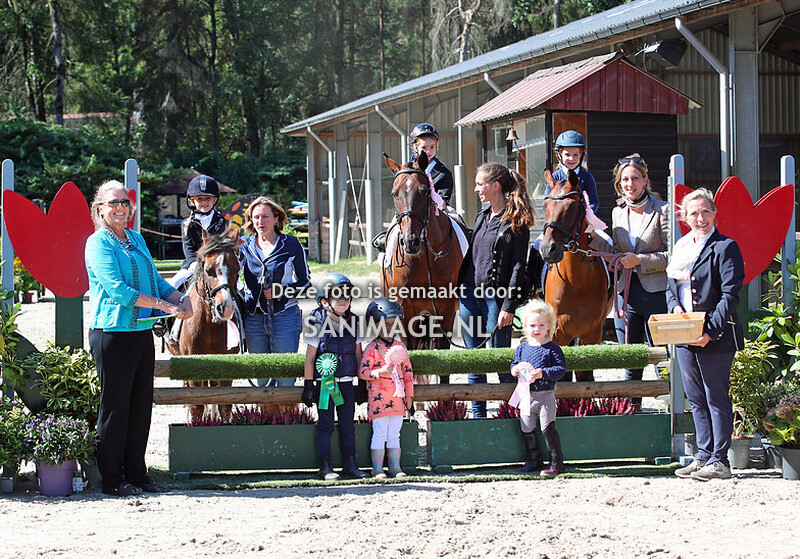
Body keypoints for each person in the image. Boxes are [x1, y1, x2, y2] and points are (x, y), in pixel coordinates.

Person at [85, 180, 193, 496]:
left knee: (141, 405)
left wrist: (180, 297)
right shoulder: (98, 243)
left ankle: (137, 474)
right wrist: (164, 306)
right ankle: (112, 480)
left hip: (140, 333)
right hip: (112, 334)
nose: (121, 207)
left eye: (125, 202)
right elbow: (118, 290)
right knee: (115, 407)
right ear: (100, 209)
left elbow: (155, 279)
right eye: (114, 203)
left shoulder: (136, 238)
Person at [667, 188, 744, 482]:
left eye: (705, 212)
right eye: (694, 214)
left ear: (714, 213)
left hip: (717, 335)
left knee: (716, 397)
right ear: (685, 217)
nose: (700, 219)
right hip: (684, 333)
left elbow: (730, 295)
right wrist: (674, 307)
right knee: (696, 398)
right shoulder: (681, 246)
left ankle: (720, 461)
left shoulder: (725, 247)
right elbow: (671, 287)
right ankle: (703, 455)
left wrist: (710, 331)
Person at [588, 154, 668, 409]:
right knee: (630, 357)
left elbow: (673, 254)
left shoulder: (663, 210)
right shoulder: (617, 212)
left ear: (644, 180)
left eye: (635, 178)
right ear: (618, 184)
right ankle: (632, 409)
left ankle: (672, 408)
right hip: (627, 293)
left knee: (663, 355)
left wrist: (640, 260)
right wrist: (591, 236)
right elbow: (616, 253)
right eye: (625, 179)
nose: (630, 184)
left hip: (658, 293)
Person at [458, 162, 535, 417]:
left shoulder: (517, 222)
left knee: (501, 360)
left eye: (480, 184)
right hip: (471, 296)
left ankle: (514, 415)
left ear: (495, 186)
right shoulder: (482, 217)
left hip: (496, 300)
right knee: (474, 360)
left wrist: (508, 307)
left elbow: (518, 266)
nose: (476, 189)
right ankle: (478, 416)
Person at [239, 196, 310, 391]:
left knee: (285, 377)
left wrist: (282, 291)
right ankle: (265, 412)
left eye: (265, 217)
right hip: (253, 319)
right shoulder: (244, 245)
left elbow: (305, 282)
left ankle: (287, 411)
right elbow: (231, 273)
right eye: (256, 217)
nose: (260, 222)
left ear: (276, 218)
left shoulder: (291, 244)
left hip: (284, 317)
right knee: (262, 378)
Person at [301, 273, 368, 480]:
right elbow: (310, 358)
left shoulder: (354, 322)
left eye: (346, 295)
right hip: (325, 385)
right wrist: (308, 385)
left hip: (347, 383)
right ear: (324, 301)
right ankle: (325, 466)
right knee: (326, 425)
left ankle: (350, 465)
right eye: (337, 296)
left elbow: (358, 354)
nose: (343, 300)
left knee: (348, 425)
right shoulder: (316, 322)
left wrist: (362, 382)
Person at [154, 174, 228, 339]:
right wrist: (195, 263)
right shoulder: (187, 223)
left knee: (238, 288)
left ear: (215, 200)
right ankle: (161, 320)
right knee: (173, 284)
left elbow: (224, 246)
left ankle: (243, 323)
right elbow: (188, 248)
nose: (204, 202)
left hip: (217, 266)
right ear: (192, 201)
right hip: (193, 265)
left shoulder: (222, 222)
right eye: (199, 199)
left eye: (208, 198)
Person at [371, 122, 455, 253]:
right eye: (424, 147)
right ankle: (388, 250)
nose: (428, 151)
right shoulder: (407, 170)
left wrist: (436, 199)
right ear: (415, 147)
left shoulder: (443, 173)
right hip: (411, 209)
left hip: (437, 210)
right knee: (396, 222)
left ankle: (465, 245)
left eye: (432, 147)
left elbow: (444, 199)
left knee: (457, 219)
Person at [509, 299, 566, 478]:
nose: (537, 329)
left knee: (547, 429)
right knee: (526, 429)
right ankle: (533, 461)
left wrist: (543, 373)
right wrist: (514, 370)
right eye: (533, 325)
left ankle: (556, 463)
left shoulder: (553, 349)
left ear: (549, 326)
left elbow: (561, 369)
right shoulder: (522, 348)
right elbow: (515, 364)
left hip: (545, 396)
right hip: (526, 396)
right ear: (525, 326)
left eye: (541, 325)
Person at [359, 297, 414, 478]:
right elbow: (363, 372)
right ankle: (377, 468)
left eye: (393, 323)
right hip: (379, 402)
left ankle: (395, 467)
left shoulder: (400, 348)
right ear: (375, 325)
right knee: (380, 433)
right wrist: (379, 372)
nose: (389, 327)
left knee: (394, 434)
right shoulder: (372, 349)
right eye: (384, 324)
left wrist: (409, 396)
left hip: (397, 400)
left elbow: (408, 373)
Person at [544, 130, 599, 213]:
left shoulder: (587, 177)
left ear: (581, 155)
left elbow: (594, 202)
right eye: (567, 154)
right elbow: (547, 200)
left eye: (575, 155)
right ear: (559, 155)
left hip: (583, 217)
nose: (571, 158)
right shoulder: (555, 177)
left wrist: (586, 214)